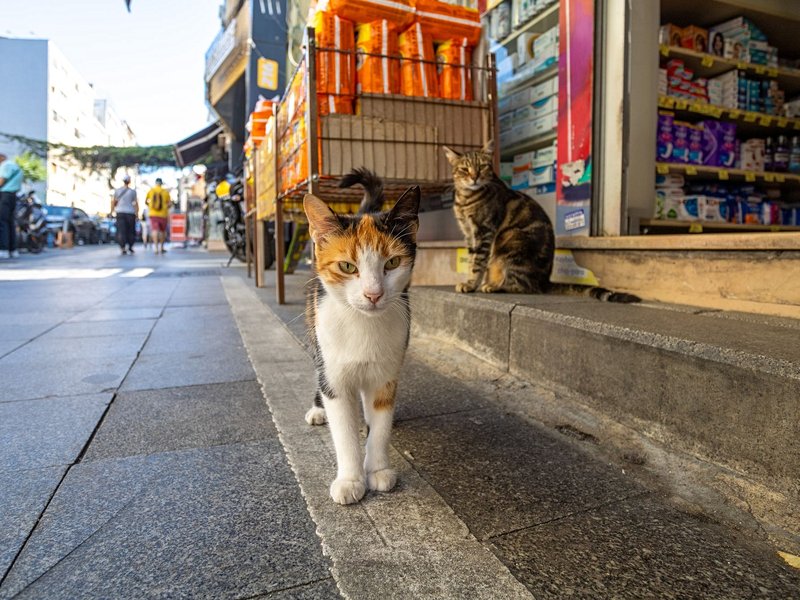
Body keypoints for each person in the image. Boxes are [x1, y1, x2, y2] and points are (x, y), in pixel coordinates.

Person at [0, 152, 23, 259]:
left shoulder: (6, 165)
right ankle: (12, 249)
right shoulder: (15, 166)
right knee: (10, 222)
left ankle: (3, 249)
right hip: (13, 195)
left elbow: (1, 180)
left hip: (4, 195)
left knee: (2, 222)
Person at [113, 174, 138, 255]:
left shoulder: (117, 191)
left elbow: (113, 202)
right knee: (130, 231)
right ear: (129, 181)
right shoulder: (132, 192)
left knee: (121, 231)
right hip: (130, 212)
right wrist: (137, 213)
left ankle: (122, 247)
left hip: (120, 212)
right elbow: (135, 203)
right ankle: (130, 246)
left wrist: (112, 211)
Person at [146, 177, 170, 254]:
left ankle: (156, 247)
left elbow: (146, 201)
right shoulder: (165, 192)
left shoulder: (151, 191)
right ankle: (161, 247)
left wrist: (151, 207)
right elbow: (169, 203)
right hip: (163, 214)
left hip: (153, 214)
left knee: (154, 230)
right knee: (163, 231)